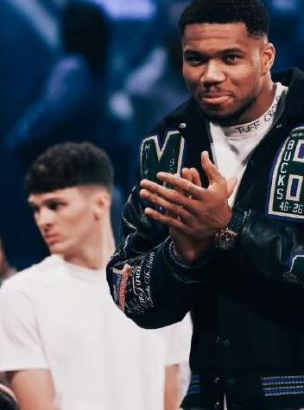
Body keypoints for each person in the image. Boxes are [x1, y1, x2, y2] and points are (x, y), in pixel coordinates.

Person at [107, 0, 304, 410]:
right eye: (196, 60)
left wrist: (231, 228)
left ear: (266, 57)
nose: (210, 75)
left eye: (230, 58)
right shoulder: (168, 143)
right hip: (215, 395)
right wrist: (182, 256)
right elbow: (131, 294)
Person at [0, 142, 191, 410]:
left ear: (100, 204)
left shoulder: (155, 284)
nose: (43, 220)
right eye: (36, 208)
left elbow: (172, 398)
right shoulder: (20, 296)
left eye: (55, 205)